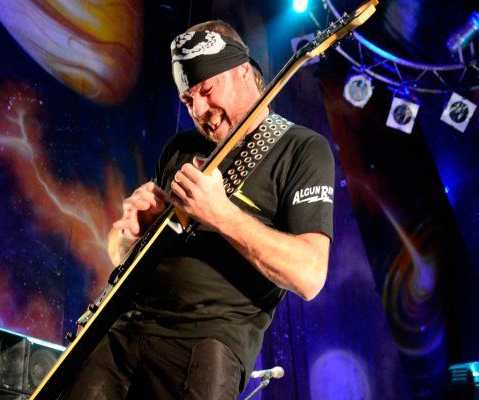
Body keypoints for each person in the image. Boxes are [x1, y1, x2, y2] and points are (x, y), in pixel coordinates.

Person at [64, 20, 334, 400]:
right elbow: (119, 253)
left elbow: (309, 275)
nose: (200, 110)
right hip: (121, 331)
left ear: (244, 72)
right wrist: (131, 234)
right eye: (188, 100)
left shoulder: (301, 149)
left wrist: (220, 213)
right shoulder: (180, 149)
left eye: (207, 90)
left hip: (205, 345)